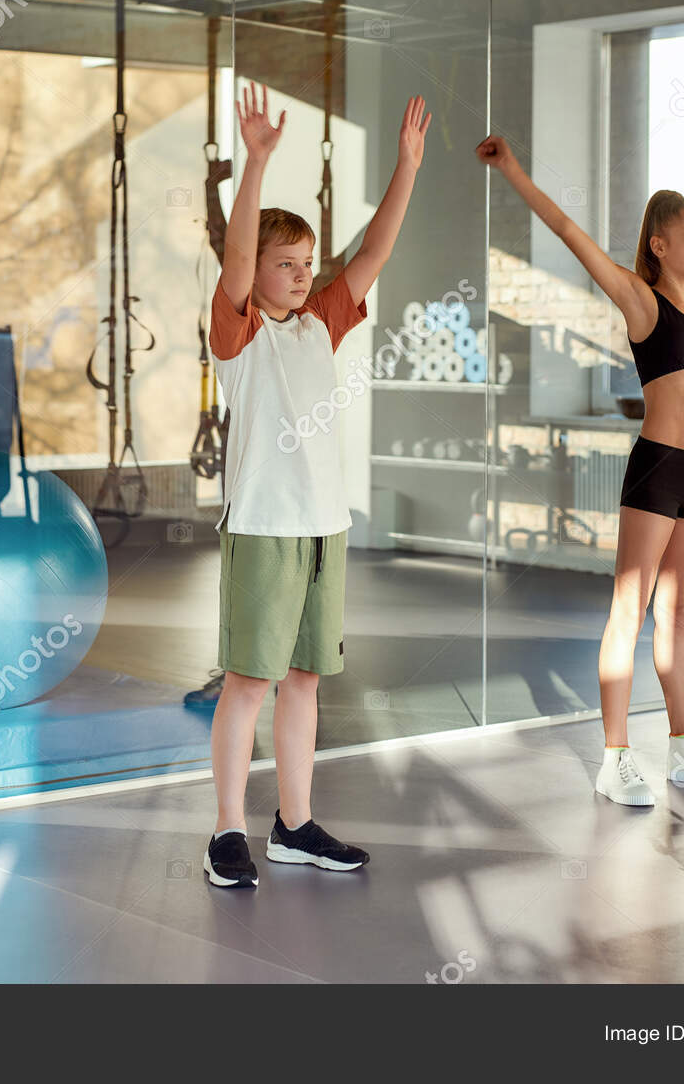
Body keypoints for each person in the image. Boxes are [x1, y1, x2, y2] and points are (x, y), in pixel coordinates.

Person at [476, 132, 684, 807]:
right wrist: (514, 169)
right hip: (659, 469)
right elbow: (570, 232)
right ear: (661, 245)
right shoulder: (643, 301)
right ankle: (614, 757)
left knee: (680, 610)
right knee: (629, 611)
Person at [203, 85, 430, 887]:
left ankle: (293, 824)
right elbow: (235, 260)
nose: (300, 276)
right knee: (250, 681)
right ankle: (227, 832)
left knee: (304, 681)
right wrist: (256, 164)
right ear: (254, 271)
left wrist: (405, 169)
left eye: (306, 264)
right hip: (264, 525)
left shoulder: (319, 322)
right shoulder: (240, 329)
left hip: (322, 526)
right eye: (284, 265)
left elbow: (372, 252)